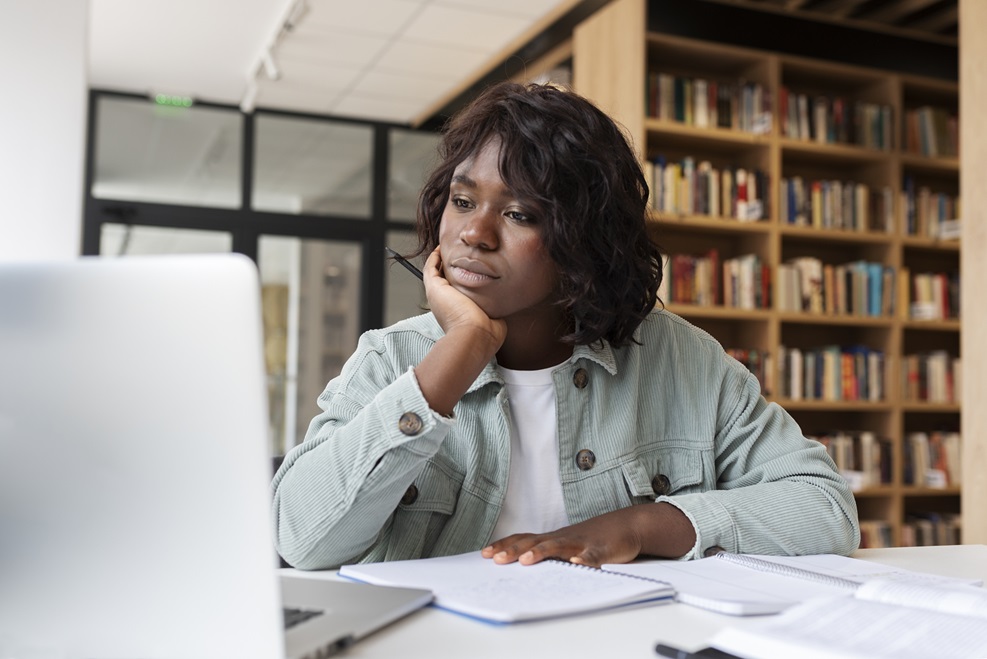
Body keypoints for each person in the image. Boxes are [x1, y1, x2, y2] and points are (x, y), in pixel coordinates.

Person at [272, 81, 860, 571]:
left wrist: (640, 525)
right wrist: (463, 347)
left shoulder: (681, 359)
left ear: (586, 240)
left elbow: (824, 509)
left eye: (520, 214)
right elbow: (303, 540)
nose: (474, 235)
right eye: (462, 201)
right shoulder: (390, 359)